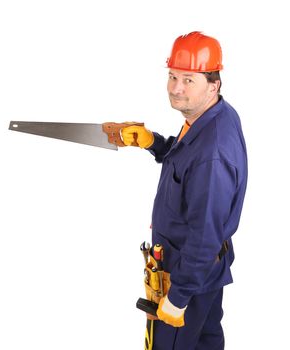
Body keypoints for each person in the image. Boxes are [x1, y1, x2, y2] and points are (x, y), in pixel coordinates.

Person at [122, 31, 248, 349]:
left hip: (187, 276)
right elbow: (185, 164)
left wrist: (177, 298)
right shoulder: (209, 115)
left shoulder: (213, 153)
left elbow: (205, 236)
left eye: (188, 80)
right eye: (173, 76)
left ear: (213, 84)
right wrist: (154, 143)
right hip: (205, 272)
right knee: (206, 341)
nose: (176, 88)